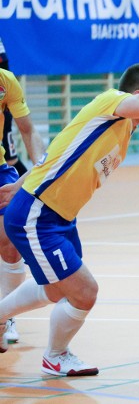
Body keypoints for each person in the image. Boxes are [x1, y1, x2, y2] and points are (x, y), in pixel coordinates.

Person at [0, 64, 139, 376]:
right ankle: (56, 355)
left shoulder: (123, 130)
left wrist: (24, 179)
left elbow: (59, 150)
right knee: (85, 292)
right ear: (136, 96)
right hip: (38, 213)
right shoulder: (110, 101)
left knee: (57, 291)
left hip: (60, 217)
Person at [0, 40, 47, 345]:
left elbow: (27, 130)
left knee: (10, 240)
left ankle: (4, 314)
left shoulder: (6, 82)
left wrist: (38, 171)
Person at [0, 38, 29, 177]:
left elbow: (3, 67)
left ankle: (31, 190)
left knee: (11, 159)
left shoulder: (6, 78)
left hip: (4, 106)